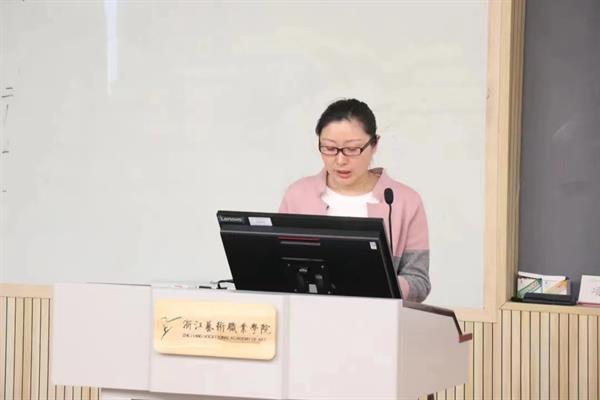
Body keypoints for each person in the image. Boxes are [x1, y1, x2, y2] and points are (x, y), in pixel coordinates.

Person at [279, 98, 430, 302]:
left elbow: (419, 282)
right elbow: (280, 268)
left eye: (352, 149)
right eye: (329, 148)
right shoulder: (298, 195)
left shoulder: (404, 201)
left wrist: (380, 285)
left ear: (374, 144)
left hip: (376, 318)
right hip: (308, 316)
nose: (340, 160)